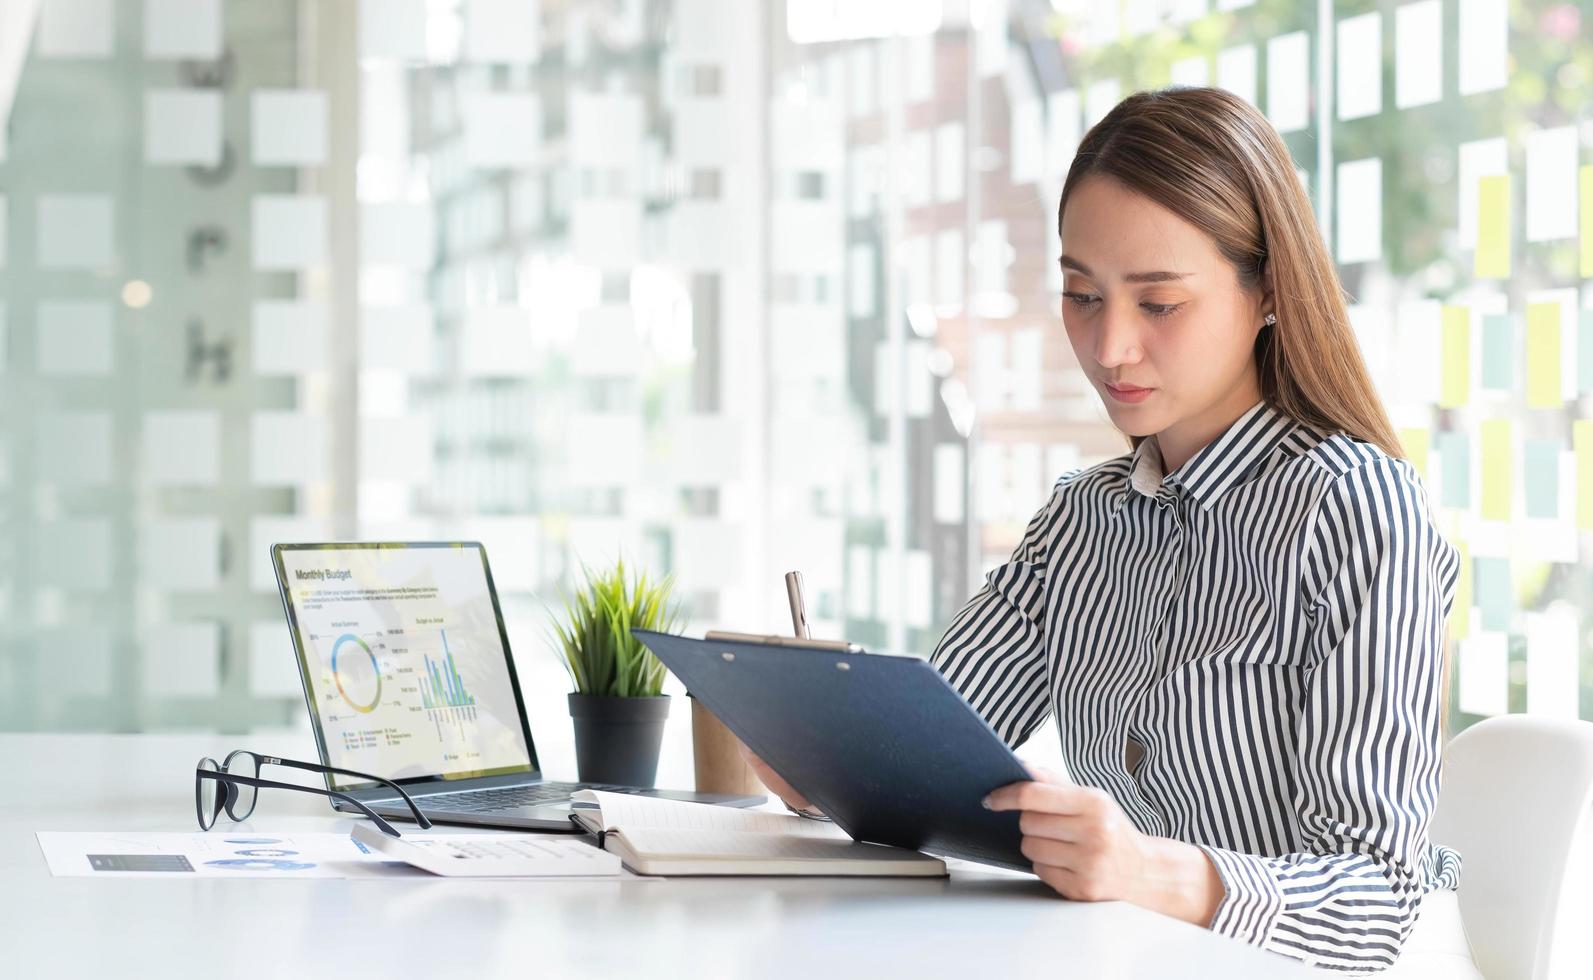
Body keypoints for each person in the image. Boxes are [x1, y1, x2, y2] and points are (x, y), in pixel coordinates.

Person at [745, 86, 1469, 975]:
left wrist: (1148, 873)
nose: (1109, 346)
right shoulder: (1080, 517)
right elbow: (937, 757)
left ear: (1270, 291)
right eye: (1082, 295)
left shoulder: (1357, 511)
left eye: (1158, 304)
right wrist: (827, 762)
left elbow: (1375, 903)